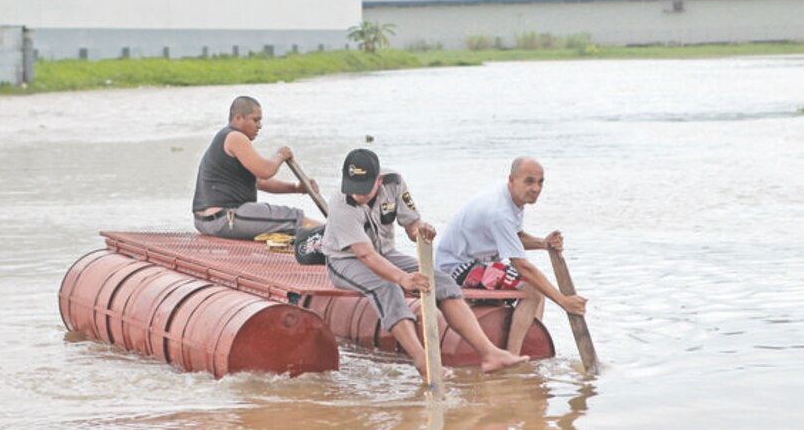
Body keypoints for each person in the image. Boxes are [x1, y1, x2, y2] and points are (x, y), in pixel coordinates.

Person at [322, 148, 529, 379]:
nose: (358, 196)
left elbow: (411, 224)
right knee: (387, 287)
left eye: (364, 190)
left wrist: (419, 229)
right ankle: (424, 362)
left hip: (386, 253)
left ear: (378, 180)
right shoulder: (341, 203)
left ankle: (490, 353)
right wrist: (402, 278)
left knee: (443, 282)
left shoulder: (395, 182)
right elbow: (365, 255)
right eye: (353, 189)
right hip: (345, 260)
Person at [435, 156, 588, 355]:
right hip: (456, 267)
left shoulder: (512, 198)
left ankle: (530, 342)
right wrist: (564, 301)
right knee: (534, 288)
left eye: (540, 182)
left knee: (538, 286)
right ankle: (513, 355)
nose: (536, 188)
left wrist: (544, 243)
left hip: (480, 262)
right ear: (512, 179)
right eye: (529, 181)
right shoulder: (499, 211)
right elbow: (521, 266)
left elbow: (514, 237)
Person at [191, 96, 320, 239]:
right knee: (296, 219)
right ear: (238, 118)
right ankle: (339, 238)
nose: (260, 126)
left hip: (207, 220)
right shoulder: (235, 137)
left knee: (289, 222)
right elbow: (265, 171)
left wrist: (296, 188)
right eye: (255, 120)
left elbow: (260, 182)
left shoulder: (228, 138)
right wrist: (280, 155)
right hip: (224, 218)